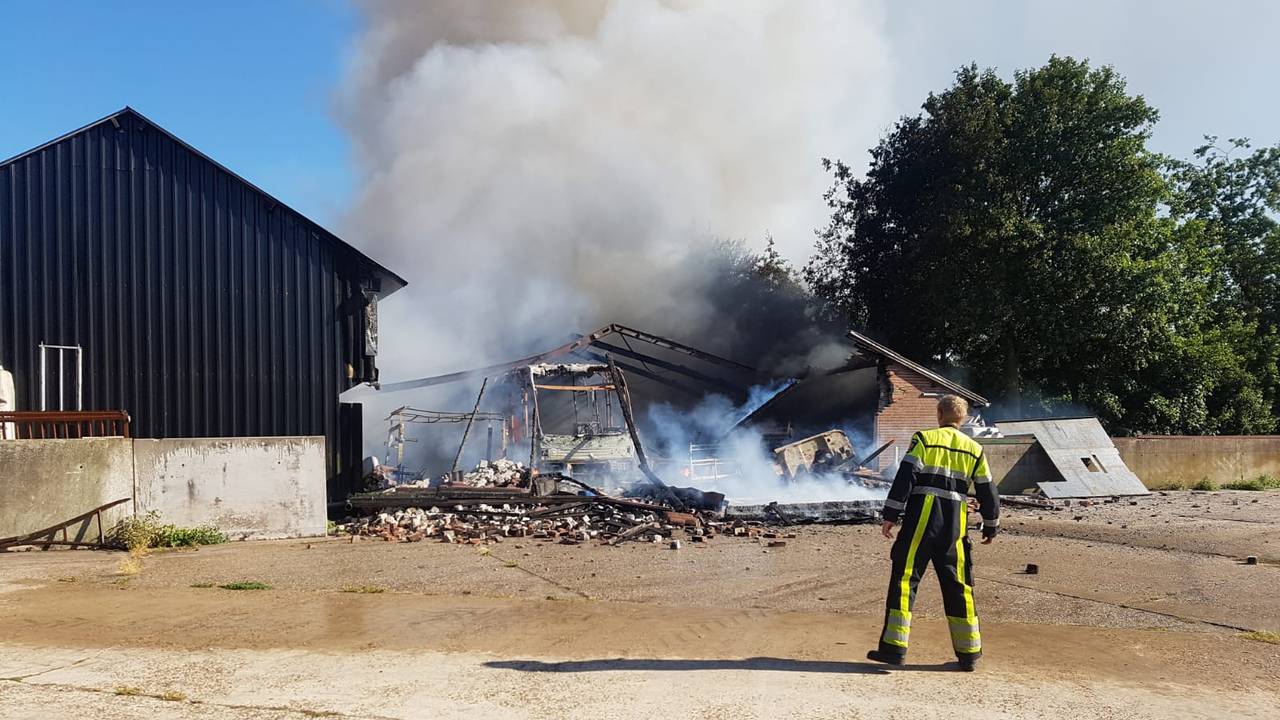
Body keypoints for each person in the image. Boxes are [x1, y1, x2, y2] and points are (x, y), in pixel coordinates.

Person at [866, 394, 999, 671]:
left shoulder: (924, 439)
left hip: (922, 521)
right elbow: (987, 489)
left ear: (939, 415)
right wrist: (990, 524)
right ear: (963, 418)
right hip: (955, 526)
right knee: (959, 584)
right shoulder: (975, 449)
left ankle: (894, 650)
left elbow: (906, 476)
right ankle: (969, 654)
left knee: (905, 579)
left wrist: (890, 515)